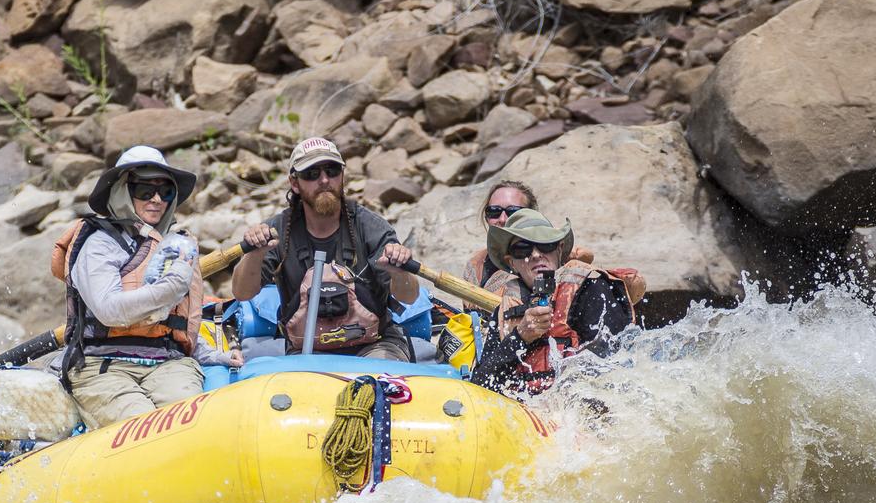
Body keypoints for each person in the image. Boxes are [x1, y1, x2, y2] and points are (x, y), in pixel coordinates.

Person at [51, 145, 242, 428]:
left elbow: (176, 325)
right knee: (146, 429)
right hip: (104, 368)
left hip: (168, 363)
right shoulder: (98, 244)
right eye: (144, 190)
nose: (156, 199)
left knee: (190, 424)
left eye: (165, 191)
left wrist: (217, 356)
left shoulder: (174, 245)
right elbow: (109, 311)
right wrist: (171, 286)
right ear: (122, 191)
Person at [230, 136, 420, 360]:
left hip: (375, 345)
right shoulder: (277, 231)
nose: (324, 180)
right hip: (305, 351)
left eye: (332, 171)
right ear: (295, 183)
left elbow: (410, 296)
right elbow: (241, 293)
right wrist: (255, 254)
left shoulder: (370, 226)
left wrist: (399, 272)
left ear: (342, 177)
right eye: (312, 173)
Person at [470, 208, 645, 395]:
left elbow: (618, 365)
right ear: (511, 262)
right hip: (526, 412)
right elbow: (480, 385)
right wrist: (520, 336)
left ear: (559, 250)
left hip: (577, 405)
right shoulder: (503, 311)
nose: (536, 254)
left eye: (545, 245)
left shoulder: (590, 288)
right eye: (523, 249)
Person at [461, 179, 539, 290]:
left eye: (513, 212)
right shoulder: (476, 266)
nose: (502, 219)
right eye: (494, 212)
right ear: (486, 218)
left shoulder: (549, 252)